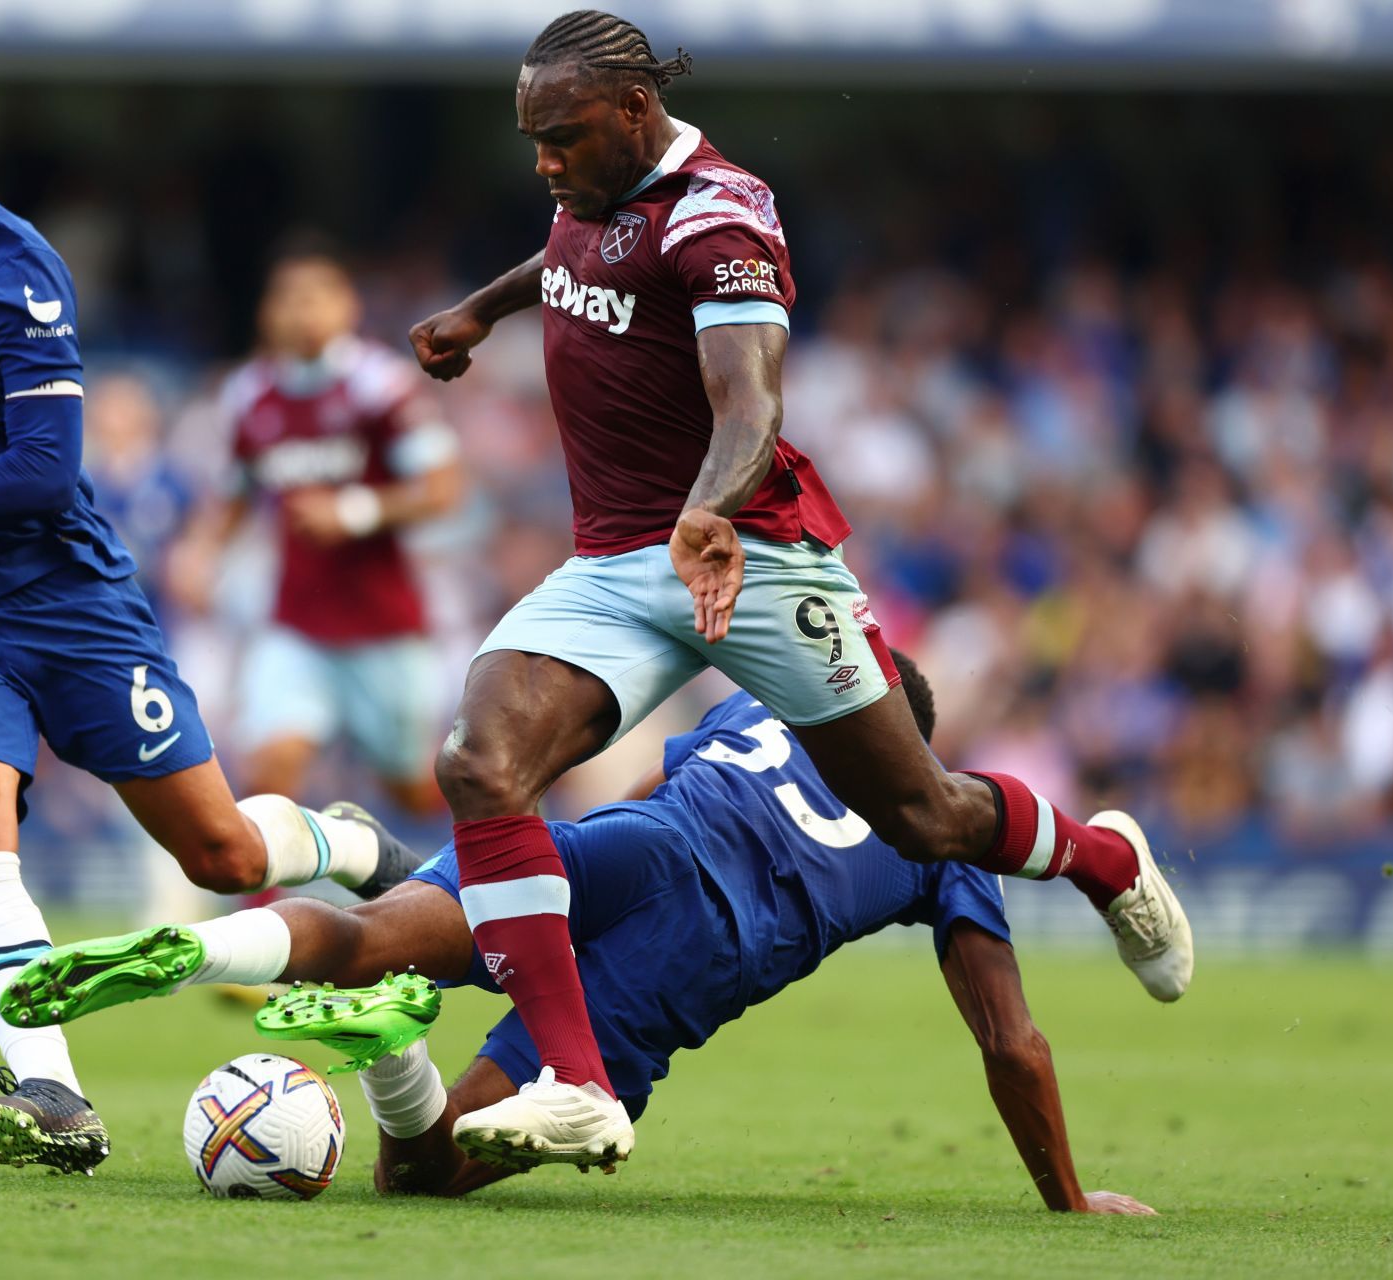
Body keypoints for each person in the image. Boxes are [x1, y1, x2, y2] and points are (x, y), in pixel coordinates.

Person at [401, 9, 1193, 1166]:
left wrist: (710, 511)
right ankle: (577, 1081)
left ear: (633, 112)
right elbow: (570, 257)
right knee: (479, 764)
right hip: (617, 564)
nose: (544, 163)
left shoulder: (727, 218)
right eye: (533, 140)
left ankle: (1106, 857)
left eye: (561, 137)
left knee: (921, 814)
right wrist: (485, 305)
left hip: (749, 554)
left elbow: (749, 411)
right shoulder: (594, 185)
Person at [0, 51, 415, 1176]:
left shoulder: (19, 269)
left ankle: (344, 839)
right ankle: (55, 1089)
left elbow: (44, 473)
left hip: (70, 606)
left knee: (218, 851)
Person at [0, 655, 1156, 1212]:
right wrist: (1065, 1194)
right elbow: (1011, 1040)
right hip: (688, 952)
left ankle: (224, 937)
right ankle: (393, 1056)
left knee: (375, 934)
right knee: (421, 1171)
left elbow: (662, 776)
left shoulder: (757, 709)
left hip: (623, 844)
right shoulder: (941, 834)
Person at [171, 241, 464, 816]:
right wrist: (200, 551)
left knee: (412, 789)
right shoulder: (249, 394)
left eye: (316, 298)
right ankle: (264, 907)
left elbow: (444, 489)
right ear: (266, 313)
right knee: (269, 770)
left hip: (382, 625)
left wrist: (353, 512)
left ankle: (499, 853)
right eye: (287, 299)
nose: (302, 312)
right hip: (296, 624)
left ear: (346, 307)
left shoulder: (380, 386)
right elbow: (234, 494)